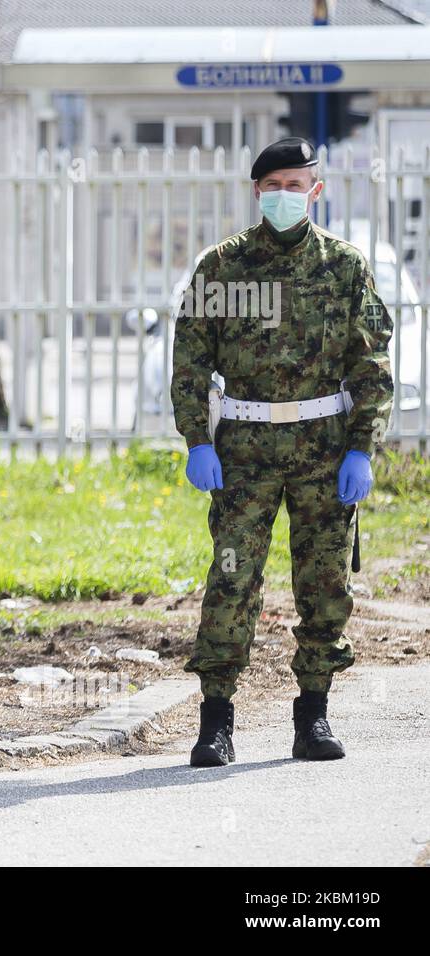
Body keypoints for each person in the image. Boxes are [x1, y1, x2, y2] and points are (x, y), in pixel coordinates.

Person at [171, 137, 394, 766]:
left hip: (325, 448)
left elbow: (371, 363)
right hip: (243, 451)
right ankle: (216, 721)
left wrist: (363, 448)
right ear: (256, 192)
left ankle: (312, 716)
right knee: (233, 577)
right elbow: (190, 360)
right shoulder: (221, 267)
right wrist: (195, 440)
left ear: (315, 191)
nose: (285, 197)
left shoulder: (346, 267)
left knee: (325, 582)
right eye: (274, 187)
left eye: (296, 186)